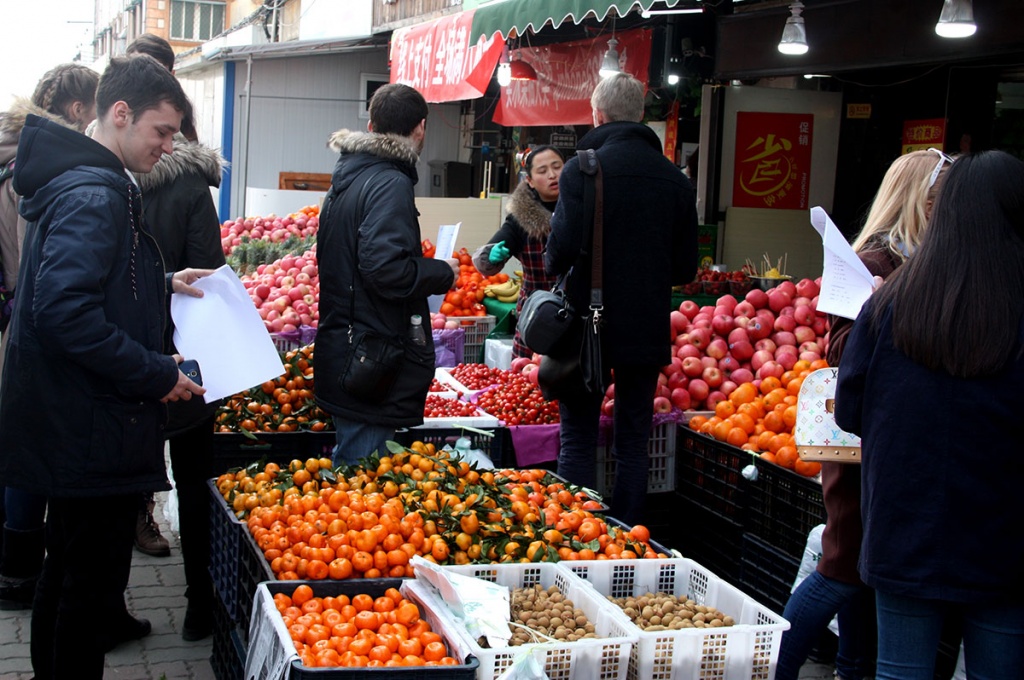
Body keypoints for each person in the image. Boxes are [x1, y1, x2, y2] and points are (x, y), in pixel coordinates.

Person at [0, 55, 209, 678]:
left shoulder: (86, 180)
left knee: (63, 575)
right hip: (87, 426)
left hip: (71, 421)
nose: (169, 146)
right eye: (162, 131)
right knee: (83, 591)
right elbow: (64, 312)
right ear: (119, 114)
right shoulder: (95, 190)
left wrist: (164, 280)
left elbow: (93, 286)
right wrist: (154, 372)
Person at [835, 150, 1024, 678]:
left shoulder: (893, 299)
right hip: (1004, 537)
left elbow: (850, 408)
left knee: (899, 671)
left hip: (905, 527)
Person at [775, 148, 952, 680]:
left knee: (862, 575)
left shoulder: (927, 259)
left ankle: (852, 669)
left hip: (890, 443)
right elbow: (841, 351)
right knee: (842, 565)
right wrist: (886, 306)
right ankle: (772, 665)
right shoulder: (874, 261)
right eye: (942, 196)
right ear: (920, 199)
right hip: (862, 443)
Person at [545, 72, 698, 525]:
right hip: (646, 325)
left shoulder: (583, 169)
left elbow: (559, 255)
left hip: (587, 327)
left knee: (578, 435)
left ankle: (574, 536)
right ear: (641, 116)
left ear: (599, 114)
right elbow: (686, 269)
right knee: (634, 438)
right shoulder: (675, 179)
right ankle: (629, 537)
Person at [127, 33, 227, 640]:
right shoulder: (191, 186)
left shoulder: (110, 178)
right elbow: (208, 273)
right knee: (193, 478)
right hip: (183, 355)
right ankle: (196, 605)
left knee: (121, 483)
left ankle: (110, 603)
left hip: (125, 356)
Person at [315, 83, 460, 467]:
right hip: (371, 358)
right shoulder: (390, 182)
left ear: (371, 123)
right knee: (362, 478)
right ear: (421, 128)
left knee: (353, 477)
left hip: (349, 348)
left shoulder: (349, 176)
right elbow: (385, 270)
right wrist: (440, 272)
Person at [0, 63, 99, 610]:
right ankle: (18, 575)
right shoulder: (31, 168)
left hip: (17, 314)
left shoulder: (15, 151)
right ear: (81, 109)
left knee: (16, 440)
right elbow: (37, 268)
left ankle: (14, 566)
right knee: (27, 448)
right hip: (24, 319)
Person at [472, 145, 564, 358]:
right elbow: (484, 259)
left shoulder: (584, 208)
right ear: (529, 181)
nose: (552, 175)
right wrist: (491, 255)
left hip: (580, 313)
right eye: (542, 171)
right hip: (537, 315)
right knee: (526, 382)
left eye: (557, 167)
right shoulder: (520, 218)